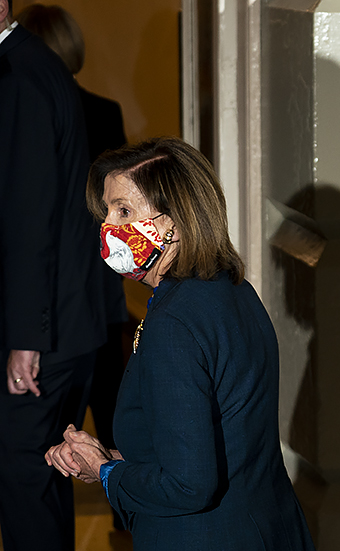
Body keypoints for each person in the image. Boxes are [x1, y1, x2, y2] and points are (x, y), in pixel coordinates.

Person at [45, 137, 316, 551]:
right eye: (106, 212)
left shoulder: (174, 320)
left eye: (123, 210)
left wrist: (104, 470)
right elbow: (213, 440)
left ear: (172, 221)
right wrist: (110, 461)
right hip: (269, 529)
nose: (107, 228)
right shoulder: (232, 289)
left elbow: (188, 485)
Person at [14, 8, 130, 525]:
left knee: (38, 466)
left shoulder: (28, 95)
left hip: (58, 302)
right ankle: (126, 517)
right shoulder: (100, 109)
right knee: (106, 419)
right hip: (96, 293)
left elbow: (36, 221)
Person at [0, 0, 107, 548]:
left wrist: (25, 338)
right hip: (63, 326)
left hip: (46, 337)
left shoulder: (21, 75)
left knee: (23, 481)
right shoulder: (35, 66)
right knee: (44, 475)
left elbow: (30, 219)